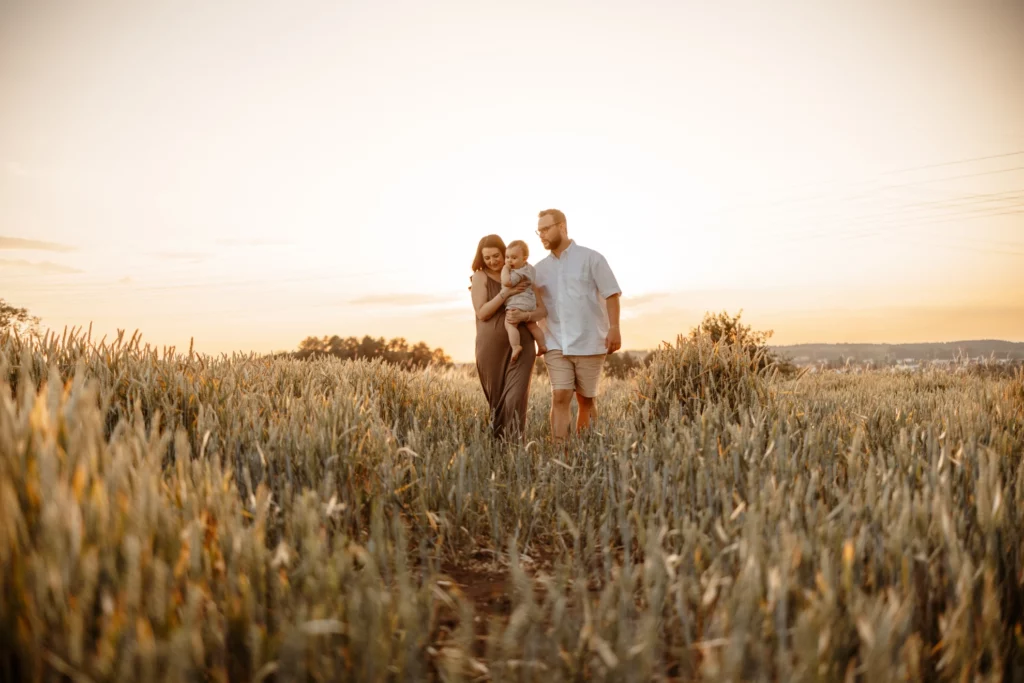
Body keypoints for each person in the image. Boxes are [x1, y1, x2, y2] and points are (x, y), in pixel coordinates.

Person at [506, 209, 621, 441]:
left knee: (586, 400)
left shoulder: (592, 258)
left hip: (590, 340)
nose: (542, 235)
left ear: (563, 227)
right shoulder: (537, 270)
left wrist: (614, 328)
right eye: (539, 231)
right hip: (555, 342)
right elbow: (523, 294)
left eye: (546, 229)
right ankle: (561, 456)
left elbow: (611, 294)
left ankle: (584, 452)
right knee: (560, 395)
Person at [470, 234, 547, 441]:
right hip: (490, 351)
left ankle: (515, 451)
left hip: (522, 346)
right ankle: (499, 454)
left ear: (505, 254)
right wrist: (506, 292)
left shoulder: (522, 273)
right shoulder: (480, 277)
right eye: (487, 258)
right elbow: (482, 312)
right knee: (497, 404)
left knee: (515, 399)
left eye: (496, 256)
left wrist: (525, 316)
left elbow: (541, 310)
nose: (493, 261)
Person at [501, 240, 548, 362]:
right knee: (532, 325)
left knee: (510, 324)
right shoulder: (530, 269)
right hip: (529, 303)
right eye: (507, 257)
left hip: (518, 302)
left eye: (514, 258)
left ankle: (516, 346)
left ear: (524, 258)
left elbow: (507, 282)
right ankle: (542, 345)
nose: (509, 261)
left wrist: (505, 269)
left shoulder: (518, 273)